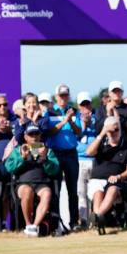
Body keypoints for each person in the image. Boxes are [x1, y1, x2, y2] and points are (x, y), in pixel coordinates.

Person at [5, 125, 60, 237]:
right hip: (23, 183)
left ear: (40, 135)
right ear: (26, 137)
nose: (34, 137)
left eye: (36, 134)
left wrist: (44, 158)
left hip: (42, 183)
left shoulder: (47, 150)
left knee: (47, 193)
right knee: (27, 191)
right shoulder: (18, 150)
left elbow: (54, 170)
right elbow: (9, 167)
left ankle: (34, 226)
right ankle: (28, 224)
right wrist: (22, 158)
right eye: (31, 134)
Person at [85, 116, 127, 234]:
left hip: (116, 181)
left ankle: (96, 218)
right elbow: (89, 152)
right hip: (97, 179)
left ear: (120, 130)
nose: (113, 133)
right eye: (110, 131)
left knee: (112, 189)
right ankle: (98, 220)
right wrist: (102, 134)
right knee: (98, 193)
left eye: (116, 130)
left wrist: (118, 176)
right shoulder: (101, 145)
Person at [40, 90, 81, 232]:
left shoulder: (73, 111)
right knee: (56, 189)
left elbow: (78, 131)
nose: (63, 98)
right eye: (61, 95)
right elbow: (48, 132)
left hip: (71, 154)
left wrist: (70, 120)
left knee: (72, 190)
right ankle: (57, 223)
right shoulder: (49, 113)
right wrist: (64, 120)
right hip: (56, 154)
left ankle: (74, 222)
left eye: (66, 95)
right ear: (56, 97)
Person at [76, 92, 97, 228]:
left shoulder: (96, 119)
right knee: (81, 192)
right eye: (83, 105)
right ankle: (83, 220)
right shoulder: (75, 120)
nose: (86, 108)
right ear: (79, 107)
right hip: (80, 159)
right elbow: (77, 135)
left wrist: (90, 123)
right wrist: (83, 124)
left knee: (94, 192)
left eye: (87, 104)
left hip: (95, 160)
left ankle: (94, 220)